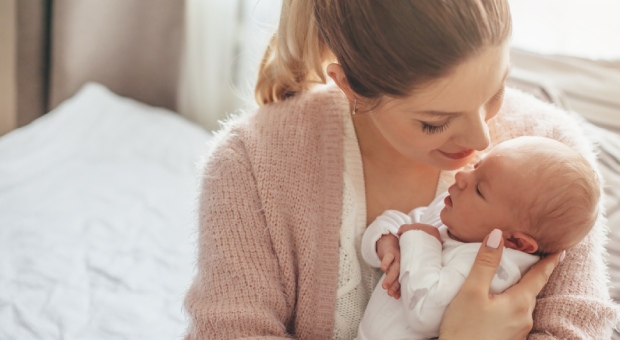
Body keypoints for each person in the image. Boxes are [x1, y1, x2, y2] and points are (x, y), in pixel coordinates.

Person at [183, 1, 617, 339]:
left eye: (495, 90)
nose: (481, 140)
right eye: (435, 121)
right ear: (350, 85)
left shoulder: (552, 156)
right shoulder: (250, 165)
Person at [356, 136, 600, 340]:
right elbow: (403, 221)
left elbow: (424, 312)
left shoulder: (495, 270)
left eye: (480, 190)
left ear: (516, 242)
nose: (461, 177)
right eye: (476, 167)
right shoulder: (454, 216)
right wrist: (385, 241)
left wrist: (420, 240)